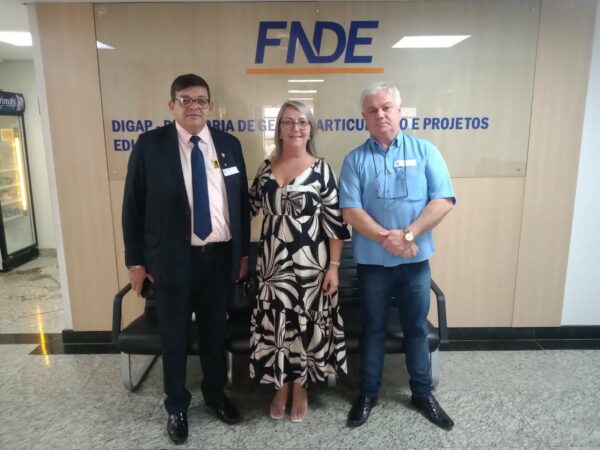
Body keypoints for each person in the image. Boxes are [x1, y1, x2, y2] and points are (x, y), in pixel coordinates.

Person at [122, 74, 250, 445]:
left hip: (218, 259)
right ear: (172, 105)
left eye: (201, 100)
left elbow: (240, 204)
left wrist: (242, 253)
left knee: (213, 333)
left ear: (210, 106)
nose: (194, 106)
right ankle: (176, 405)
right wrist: (136, 263)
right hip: (171, 261)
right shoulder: (150, 145)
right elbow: (133, 207)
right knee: (174, 335)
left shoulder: (229, 144)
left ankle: (215, 394)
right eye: (185, 99)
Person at [339, 83, 456, 429]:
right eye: (372, 110)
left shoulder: (426, 151)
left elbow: (443, 200)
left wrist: (408, 235)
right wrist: (389, 238)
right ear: (364, 117)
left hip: (415, 264)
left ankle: (422, 393)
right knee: (373, 328)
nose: (381, 115)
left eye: (387, 107)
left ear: (400, 111)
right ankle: (368, 394)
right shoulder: (354, 160)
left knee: (416, 328)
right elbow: (350, 210)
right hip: (373, 266)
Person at [248, 100, 350, 423]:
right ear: (279, 129)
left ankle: (300, 387)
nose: (296, 128)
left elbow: (336, 225)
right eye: (288, 122)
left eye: (302, 122)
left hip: (310, 266)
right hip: (272, 267)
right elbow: (246, 208)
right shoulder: (265, 168)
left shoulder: (322, 170)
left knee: (303, 325)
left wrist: (334, 267)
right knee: (278, 325)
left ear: (310, 129)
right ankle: (279, 386)